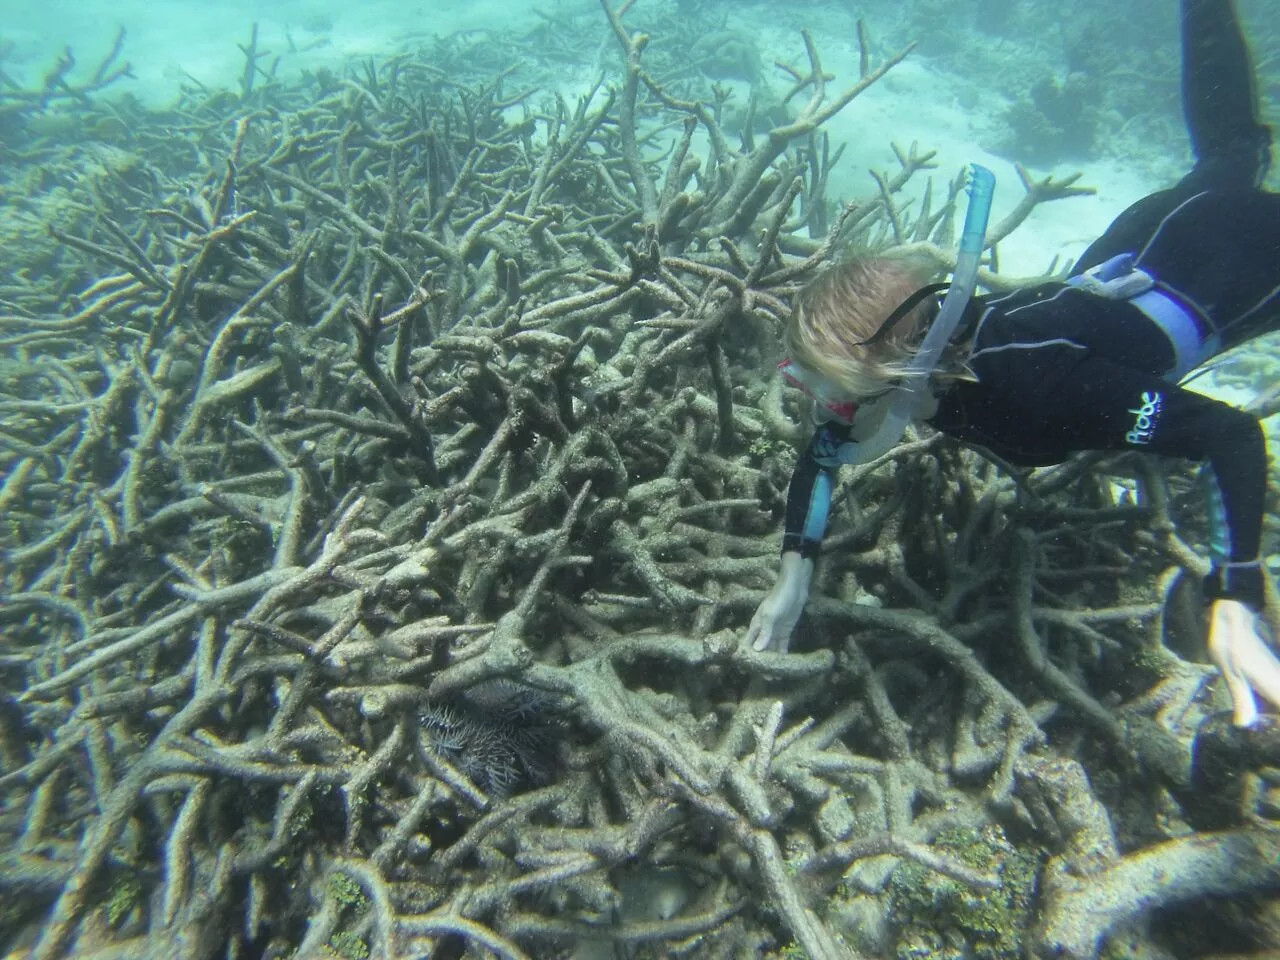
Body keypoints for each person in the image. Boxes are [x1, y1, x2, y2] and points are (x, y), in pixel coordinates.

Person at [747, 0, 1280, 728]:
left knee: (1234, 164)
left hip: (1236, 267)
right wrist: (793, 577)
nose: (824, 415)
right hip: (1147, 240)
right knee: (1231, 153)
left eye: (834, 394)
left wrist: (1235, 597)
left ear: (904, 379)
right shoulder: (917, 360)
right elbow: (823, 456)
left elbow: (1230, 436)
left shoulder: (1044, 392)